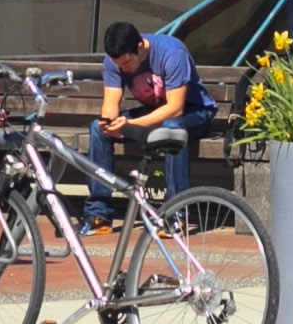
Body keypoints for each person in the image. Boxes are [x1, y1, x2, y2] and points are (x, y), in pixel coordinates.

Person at [86, 19, 214, 223]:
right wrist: (108, 122)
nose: (124, 69)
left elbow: (175, 108)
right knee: (97, 129)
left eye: (127, 63)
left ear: (140, 47)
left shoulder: (172, 53)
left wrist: (131, 126)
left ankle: (176, 213)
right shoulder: (115, 60)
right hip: (153, 112)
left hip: (194, 112)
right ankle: (99, 212)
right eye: (119, 65)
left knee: (172, 129)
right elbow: (111, 102)